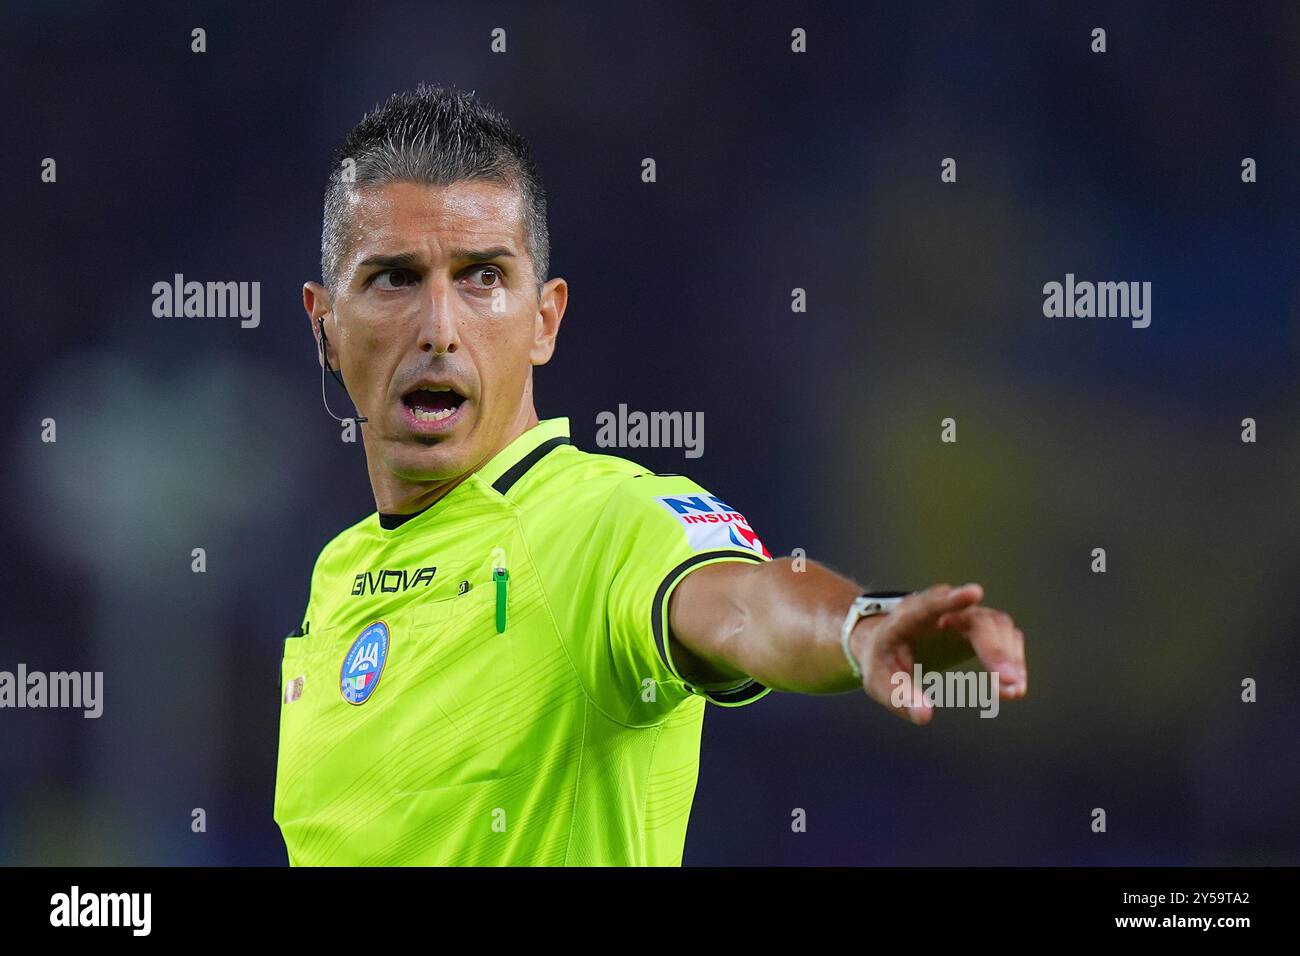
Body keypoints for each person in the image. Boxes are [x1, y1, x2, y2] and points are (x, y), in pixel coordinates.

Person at [273, 83, 1028, 866]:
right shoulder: (339, 573)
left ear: (545, 319)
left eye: (482, 278)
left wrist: (854, 625)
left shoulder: (605, 522)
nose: (439, 329)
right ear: (325, 326)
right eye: (394, 278)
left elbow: (746, 605)